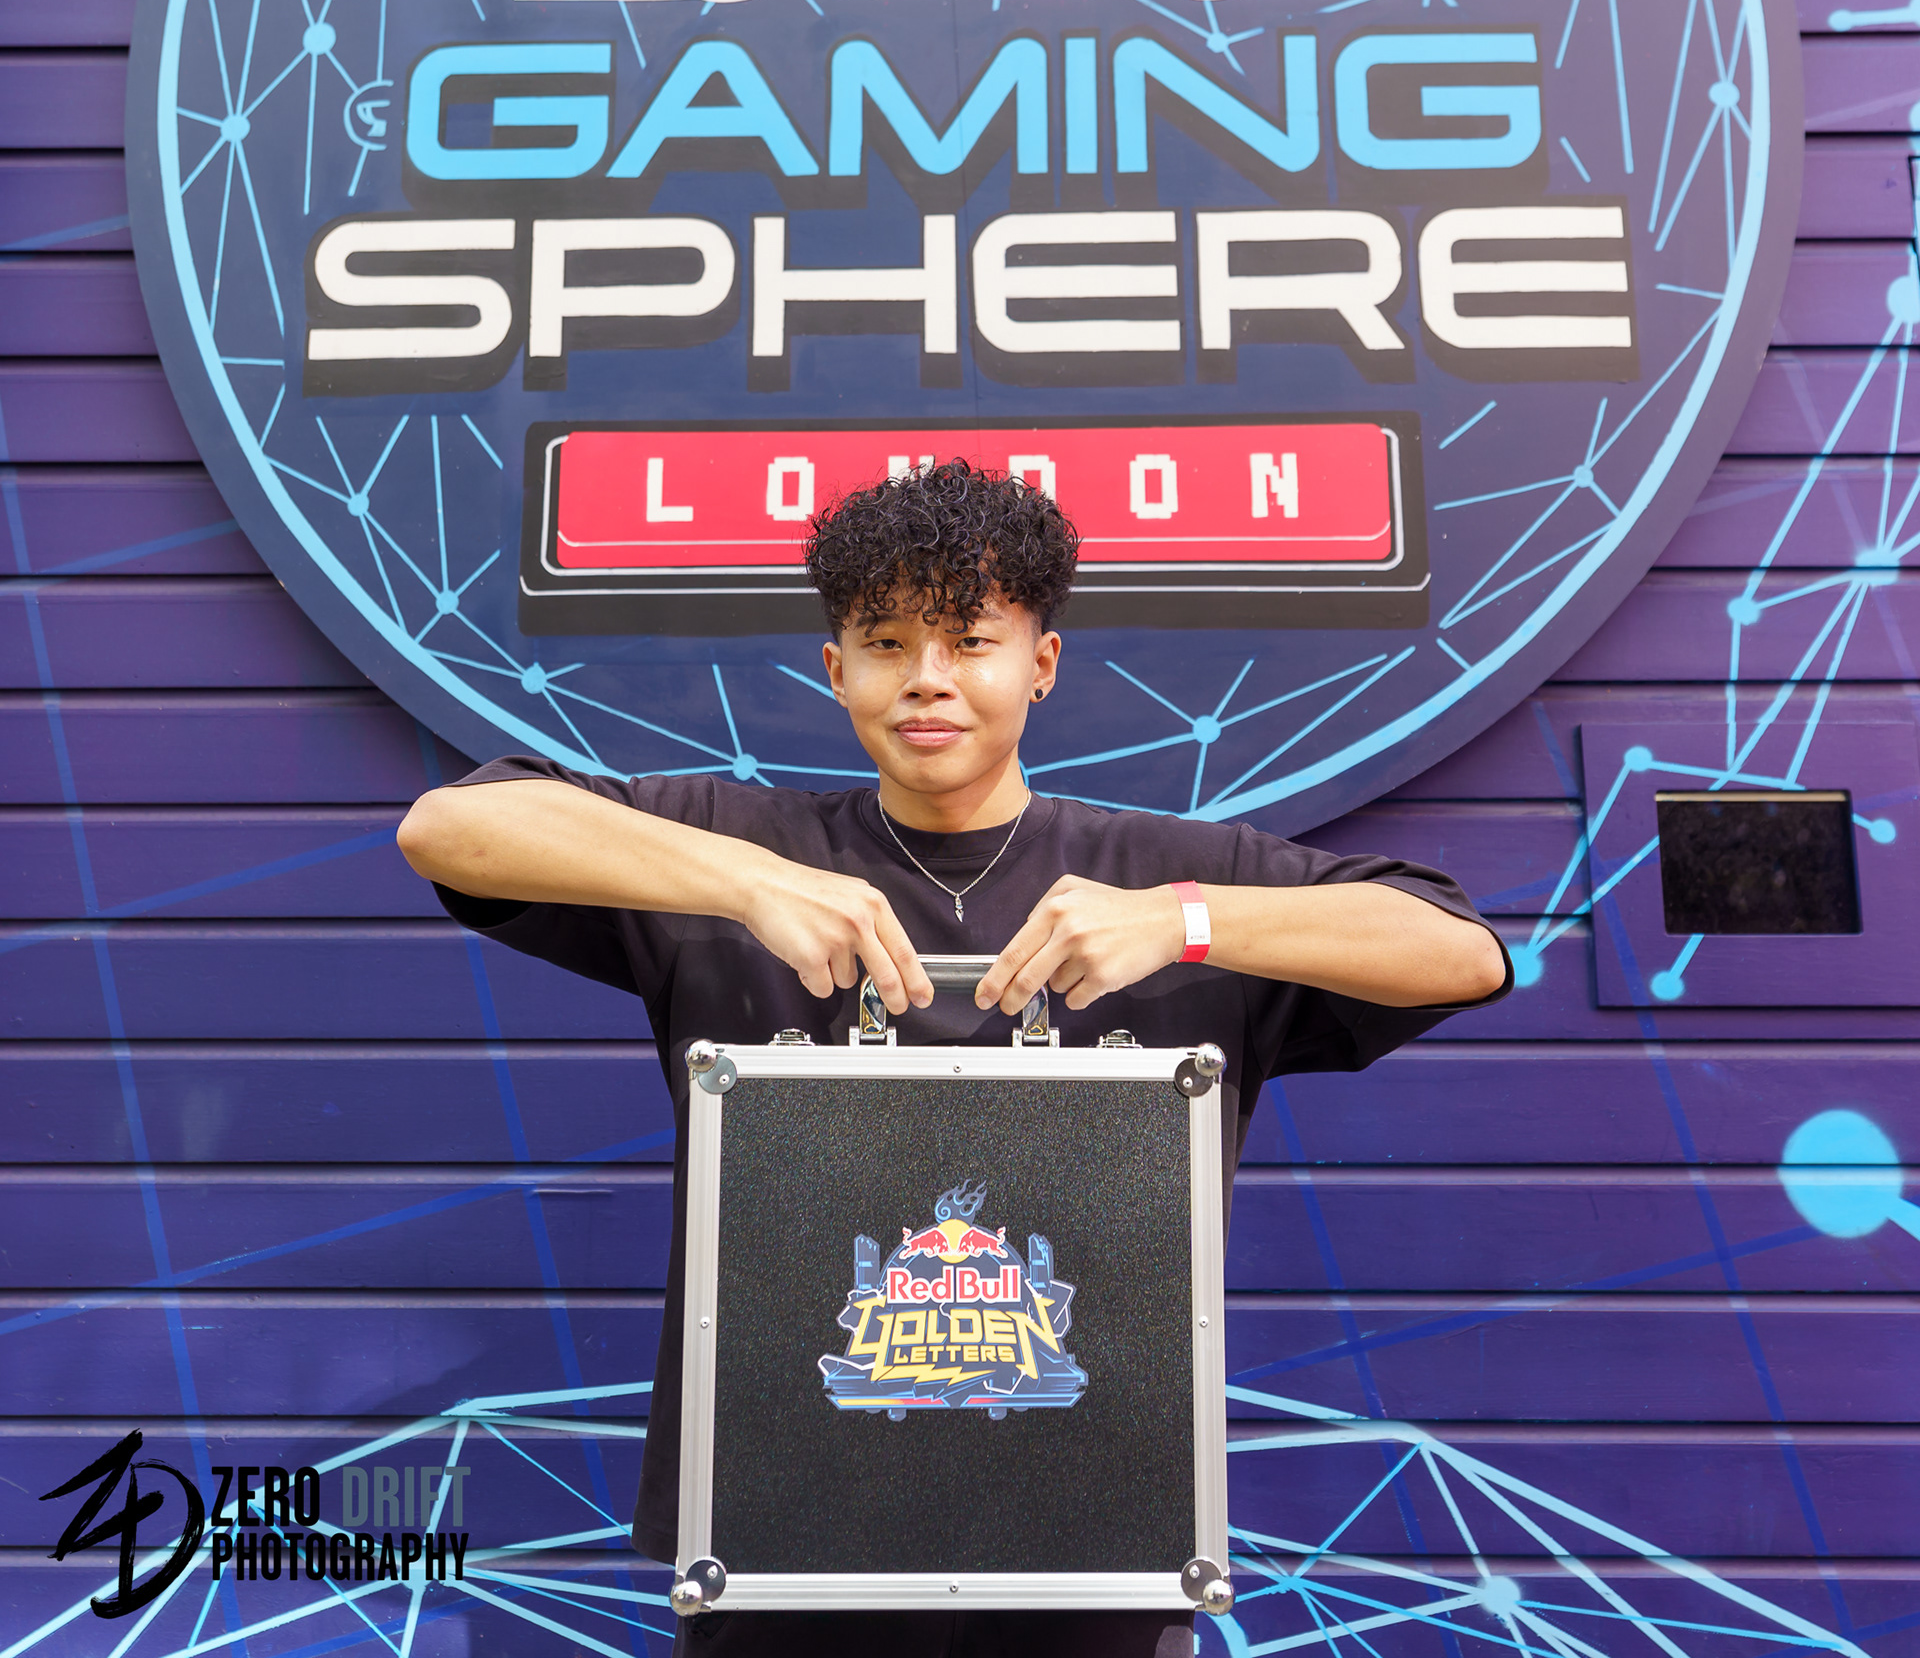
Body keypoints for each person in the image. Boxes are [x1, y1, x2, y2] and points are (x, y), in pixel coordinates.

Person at [397, 459, 1510, 1657]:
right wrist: (748, 883)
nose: (927, 677)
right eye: (885, 642)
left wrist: (1184, 921)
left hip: (1098, 1544)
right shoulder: (734, 850)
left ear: (1041, 662)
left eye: (971, 641)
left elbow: (1461, 951)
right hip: (778, 1538)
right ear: (836, 670)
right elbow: (450, 827)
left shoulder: (1163, 877)